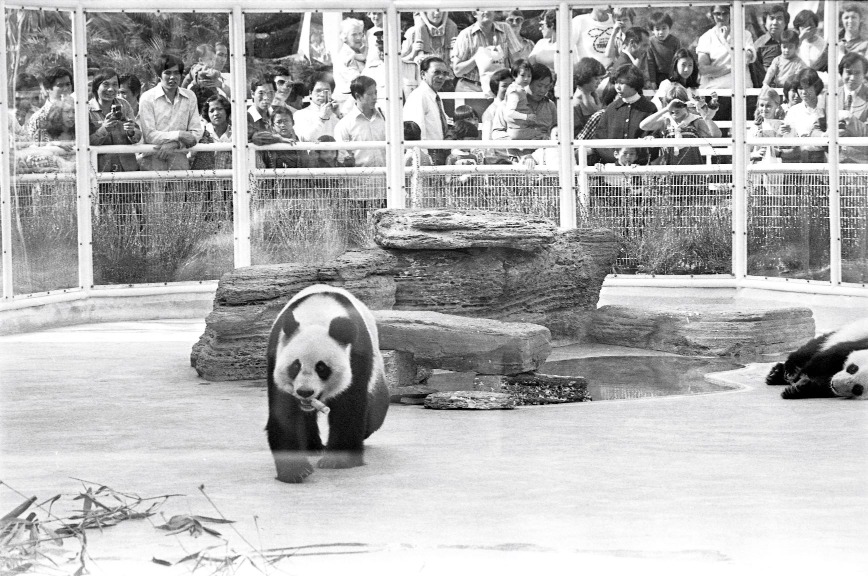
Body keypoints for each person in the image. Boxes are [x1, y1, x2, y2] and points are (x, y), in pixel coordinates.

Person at [451, 10, 523, 118]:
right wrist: (477, 58)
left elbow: (517, 62)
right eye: (481, 9)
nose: (486, 11)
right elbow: (457, 71)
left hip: (500, 89)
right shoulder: (465, 34)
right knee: (473, 127)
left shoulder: (505, 29)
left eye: (489, 7)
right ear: (474, 13)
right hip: (471, 89)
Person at [137, 53, 204, 171]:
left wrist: (175, 144)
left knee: (181, 190)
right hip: (153, 158)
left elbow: (196, 132)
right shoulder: (147, 98)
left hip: (179, 159)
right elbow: (149, 135)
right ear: (159, 75)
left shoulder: (190, 96)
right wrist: (179, 135)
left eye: (176, 73)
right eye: (167, 73)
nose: (172, 77)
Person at [696, 4, 757, 121]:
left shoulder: (744, 34)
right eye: (717, 13)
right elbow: (704, 69)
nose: (721, 17)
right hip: (716, 94)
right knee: (719, 135)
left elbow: (747, 57)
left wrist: (726, 43)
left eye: (725, 13)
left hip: (742, 92)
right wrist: (733, 66)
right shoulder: (705, 38)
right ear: (712, 15)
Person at [592, 64, 657, 165]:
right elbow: (599, 140)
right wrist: (616, 160)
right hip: (612, 173)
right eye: (616, 82)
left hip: (640, 172)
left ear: (634, 83)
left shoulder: (649, 108)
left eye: (622, 83)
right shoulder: (611, 109)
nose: (617, 87)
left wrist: (637, 158)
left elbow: (655, 140)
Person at [639, 84, 714, 165]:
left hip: (692, 167)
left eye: (679, 105)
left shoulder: (695, 120)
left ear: (686, 104)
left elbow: (715, 135)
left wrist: (704, 115)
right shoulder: (665, 121)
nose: (674, 109)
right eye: (672, 105)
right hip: (670, 168)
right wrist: (666, 109)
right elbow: (643, 126)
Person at [88, 68, 141, 173]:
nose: (111, 89)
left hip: (127, 170)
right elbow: (87, 143)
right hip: (101, 173)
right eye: (106, 84)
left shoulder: (124, 105)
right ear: (96, 86)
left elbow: (137, 136)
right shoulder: (87, 109)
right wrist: (104, 129)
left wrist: (131, 132)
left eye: (115, 84)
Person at [403, 56, 451, 164]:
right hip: (428, 156)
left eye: (444, 73)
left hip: (440, 153)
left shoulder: (435, 97)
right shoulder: (419, 96)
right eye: (436, 72)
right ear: (423, 74)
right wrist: (424, 160)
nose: (441, 77)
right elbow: (417, 131)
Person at [400, 10, 459, 96]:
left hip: (445, 81)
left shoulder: (451, 30)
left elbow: (457, 62)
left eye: (440, 10)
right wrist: (413, 53)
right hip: (422, 82)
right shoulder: (413, 32)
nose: (437, 13)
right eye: (432, 10)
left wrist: (456, 50)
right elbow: (401, 61)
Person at [334, 75, 386, 167]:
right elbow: (341, 157)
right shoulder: (344, 125)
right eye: (370, 94)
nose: (374, 97)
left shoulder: (385, 118)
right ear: (358, 96)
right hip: (359, 179)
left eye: (375, 93)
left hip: (387, 178)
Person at [778, 68, 826, 163]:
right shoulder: (793, 110)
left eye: (807, 87)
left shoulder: (825, 109)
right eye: (800, 88)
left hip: (821, 159)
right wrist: (785, 132)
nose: (803, 92)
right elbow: (786, 139)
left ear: (816, 87)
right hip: (798, 159)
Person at [28, 66, 73, 143]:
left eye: (68, 84)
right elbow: (35, 149)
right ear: (48, 89)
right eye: (60, 85)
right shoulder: (39, 117)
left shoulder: (80, 111)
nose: (65, 89)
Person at [837, 51, 868, 164]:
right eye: (848, 72)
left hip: (862, 164)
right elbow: (816, 128)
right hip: (834, 163)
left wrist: (850, 119)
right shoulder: (829, 95)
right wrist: (824, 134)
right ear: (841, 73)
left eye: (857, 73)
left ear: (864, 74)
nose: (852, 77)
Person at [294, 72, 342, 142]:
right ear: (310, 93)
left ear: (331, 92)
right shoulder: (300, 114)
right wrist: (322, 119)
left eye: (326, 91)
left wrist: (339, 115)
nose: (322, 94)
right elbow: (305, 139)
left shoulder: (336, 114)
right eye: (318, 91)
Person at [333, 18, 367, 108]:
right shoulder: (346, 56)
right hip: (346, 104)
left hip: (355, 101)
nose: (359, 38)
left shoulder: (356, 53)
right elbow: (359, 81)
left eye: (360, 33)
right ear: (345, 37)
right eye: (354, 34)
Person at [572, 57, 607, 137]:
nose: (599, 81)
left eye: (600, 78)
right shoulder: (575, 104)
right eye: (596, 78)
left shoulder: (594, 96)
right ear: (585, 77)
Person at [196, 94, 232, 170]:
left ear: (226, 110)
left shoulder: (235, 133)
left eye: (219, 109)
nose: (216, 113)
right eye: (211, 111)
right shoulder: (202, 133)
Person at [647, 11, 682, 87]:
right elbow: (650, 63)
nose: (661, 32)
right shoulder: (650, 42)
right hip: (658, 75)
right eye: (657, 29)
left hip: (673, 75)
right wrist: (652, 81)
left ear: (669, 28)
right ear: (652, 30)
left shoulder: (675, 41)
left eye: (664, 28)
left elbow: (678, 61)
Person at [749, 86, 784, 163]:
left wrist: (776, 151)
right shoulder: (755, 126)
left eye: (768, 106)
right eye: (761, 105)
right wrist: (754, 154)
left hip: (777, 169)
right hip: (758, 169)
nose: (764, 109)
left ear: (777, 106)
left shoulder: (782, 126)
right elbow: (745, 151)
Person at [247, 77, 278, 145]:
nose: (266, 97)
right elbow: (257, 138)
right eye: (261, 93)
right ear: (252, 93)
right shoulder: (245, 118)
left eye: (270, 93)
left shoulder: (277, 116)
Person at [528, 10, 558, 76]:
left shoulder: (565, 45)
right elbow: (529, 65)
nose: (540, 28)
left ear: (552, 25)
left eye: (542, 25)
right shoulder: (541, 43)